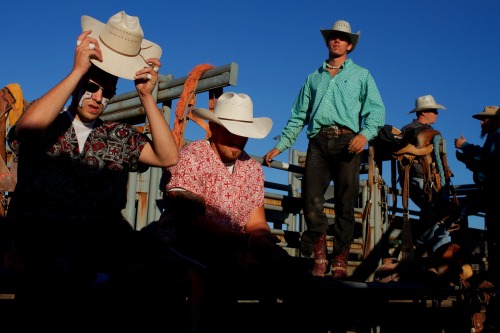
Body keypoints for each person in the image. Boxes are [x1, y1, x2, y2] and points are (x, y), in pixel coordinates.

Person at [0, 11, 186, 330]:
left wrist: (146, 97)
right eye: (92, 87)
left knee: (171, 268)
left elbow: (167, 156)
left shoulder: (117, 135)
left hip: (104, 240)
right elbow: (27, 128)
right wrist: (78, 71)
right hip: (45, 237)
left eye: (106, 91)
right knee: (63, 268)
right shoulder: (47, 120)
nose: (98, 98)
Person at [153, 92, 316, 332]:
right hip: (187, 241)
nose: (238, 139)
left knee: (298, 273)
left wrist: (259, 240)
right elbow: (192, 219)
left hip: (235, 243)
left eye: (243, 134)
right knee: (220, 274)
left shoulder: (251, 169)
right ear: (214, 128)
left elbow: (256, 220)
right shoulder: (192, 156)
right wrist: (245, 242)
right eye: (231, 131)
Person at [264, 19, 385, 279]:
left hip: (348, 142)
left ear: (349, 45)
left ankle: (339, 257)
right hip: (318, 141)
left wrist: (364, 134)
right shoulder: (313, 78)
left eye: (342, 37)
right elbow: (298, 116)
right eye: (333, 36)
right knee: (311, 197)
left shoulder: (361, 75)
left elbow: (376, 112)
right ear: (328, 41)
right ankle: (319, 252)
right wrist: (280, 147)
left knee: (345, 201)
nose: (336, 40)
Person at [399, 95, 453, 256]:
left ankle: (423, 251)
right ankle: (437, 256)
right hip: (418, 178)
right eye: (434, 111)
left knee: (434, 215)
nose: (437, 114)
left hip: (430, 180)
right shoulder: (409, 131)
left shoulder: (429, 132)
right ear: (424, 112)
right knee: (440, 215)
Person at [454, 106, 500, 285]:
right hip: (492, 193)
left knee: (462, 209)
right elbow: (484, 161)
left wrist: (464, 147)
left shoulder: (497, 136)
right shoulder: (494, 137)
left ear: (494, 120)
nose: (481, 123)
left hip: (494, 194)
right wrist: (467, 157)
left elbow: (485, 160)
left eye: (484, 119)